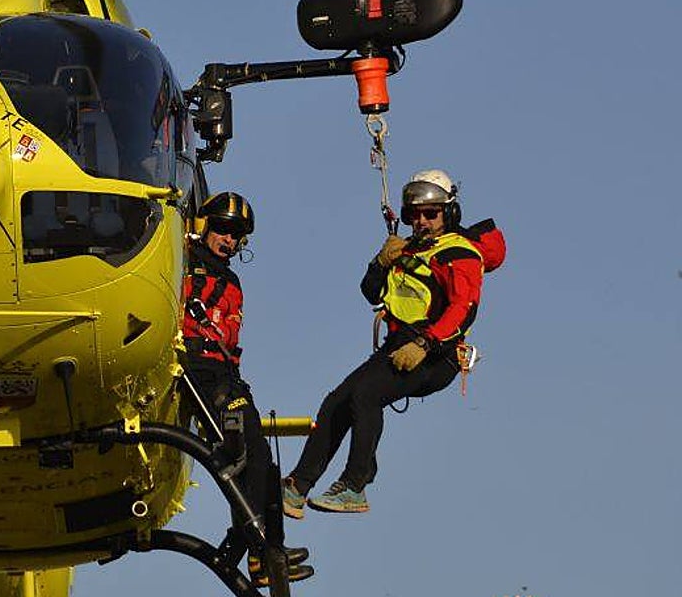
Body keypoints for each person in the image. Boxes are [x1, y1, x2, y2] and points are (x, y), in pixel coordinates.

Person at [283, 169, 505, 517]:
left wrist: (426, 344)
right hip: (399, 345)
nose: (421, 222)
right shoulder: (408, 250)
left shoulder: (458, 253)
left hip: (434, 353)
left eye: (430, 214)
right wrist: (380, 262)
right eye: (413, 215)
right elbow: (371, 291)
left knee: (366, 395)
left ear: (449, 213)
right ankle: (297, 487)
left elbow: (464, 309)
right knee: (337, 402)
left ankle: (355, 485)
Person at [181, 191, 314, 585]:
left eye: (235, 235)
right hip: (199, 372)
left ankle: (265, 554)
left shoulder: (231, 279)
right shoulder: (183, 262)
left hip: (225, 374)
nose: (228, 240)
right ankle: (260, 550)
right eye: (222, 229)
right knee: (250, 459)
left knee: (265, 467)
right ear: (205, 226)